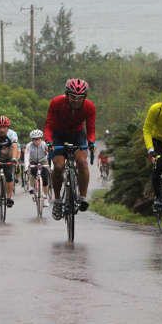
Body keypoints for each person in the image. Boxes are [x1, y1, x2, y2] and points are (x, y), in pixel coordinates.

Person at [44, 78, 96, 221]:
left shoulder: (89, 107)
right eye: (73, 96)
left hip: (77, 134)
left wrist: (91, 141)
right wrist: (49, 141)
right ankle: (58, 200)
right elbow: (48, 125)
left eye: (80, 97)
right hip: (58, 134)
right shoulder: (56, 103)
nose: (76, 100)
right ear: (67, 94)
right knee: (59, 165)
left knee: (82, 162)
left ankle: (82, 197)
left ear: (84, 97)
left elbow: (91, 129)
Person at [25, 129, 50, 207]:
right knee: (32, 171)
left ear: (41, 139)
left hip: (43, 160)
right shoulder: (29, 145)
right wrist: (27, 167)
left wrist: (50, 167)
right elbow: (26, 157)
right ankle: (32, 186)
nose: (37, 141)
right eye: (35, 140)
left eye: (39, 139)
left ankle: (45, 197)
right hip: (33, 160)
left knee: (45, 177)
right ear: (32, 140)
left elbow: (49, 156)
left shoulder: (44, 145)